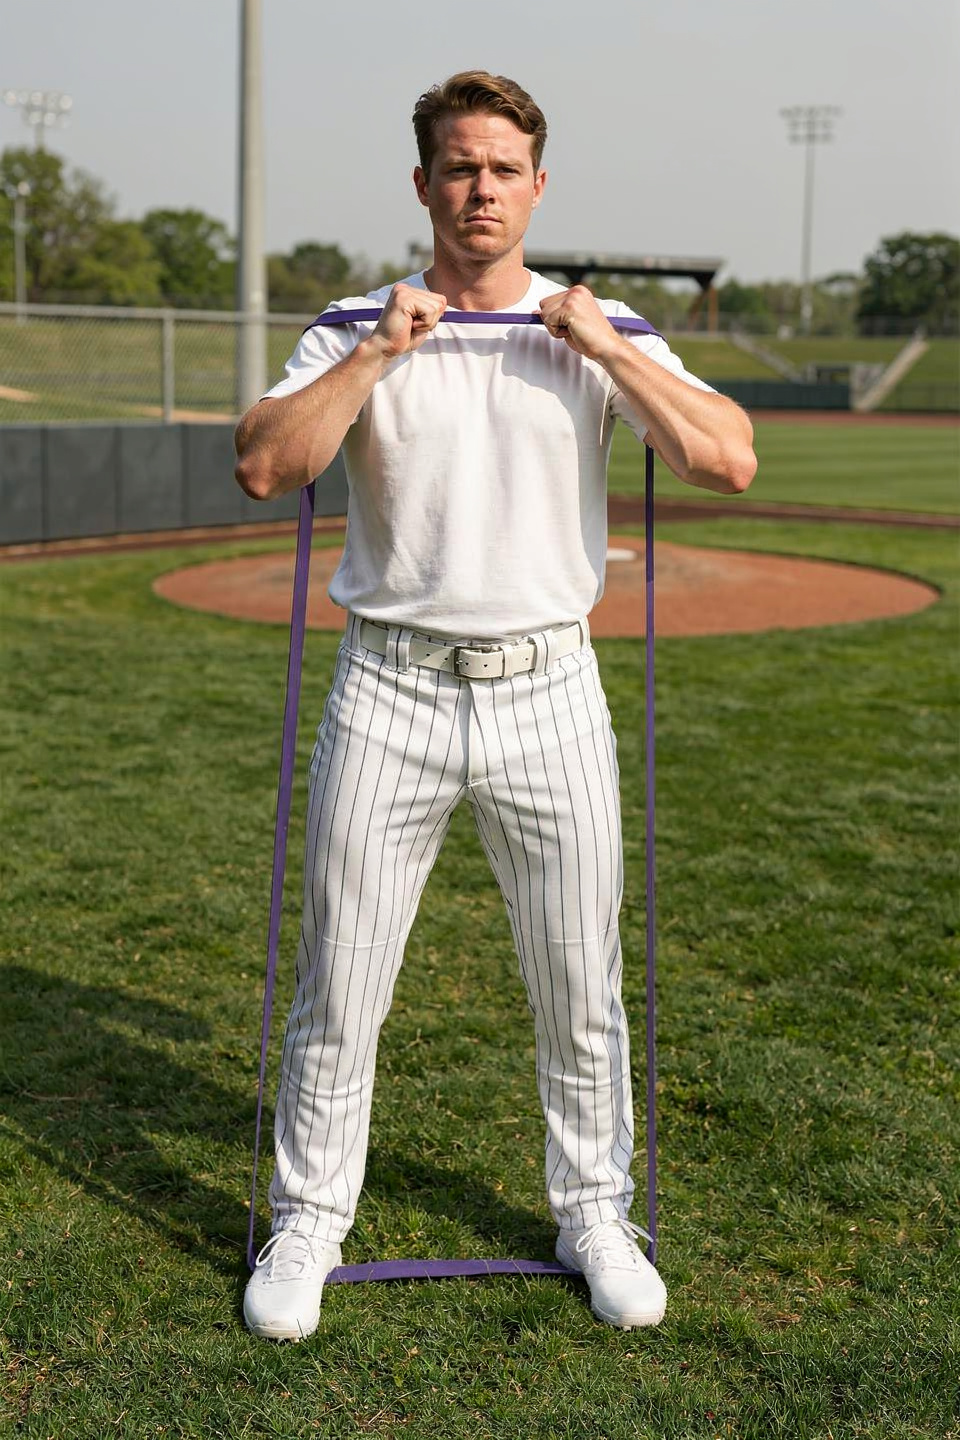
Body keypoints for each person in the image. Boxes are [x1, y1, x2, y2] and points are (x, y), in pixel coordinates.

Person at [234, 70, 756, 1342]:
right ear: (423, 185)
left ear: (537, 185)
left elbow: (727, 458)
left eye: (503, 168)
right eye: (458, 167)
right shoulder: (360, 320)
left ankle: (596, 1213)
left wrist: (606, 345)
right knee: (340, 984)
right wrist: (374, 352)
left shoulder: (598, 327)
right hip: (392, 686)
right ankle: (309, 1221)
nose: (481, 188)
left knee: (580, 983)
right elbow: (264, 464)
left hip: (548, 690)